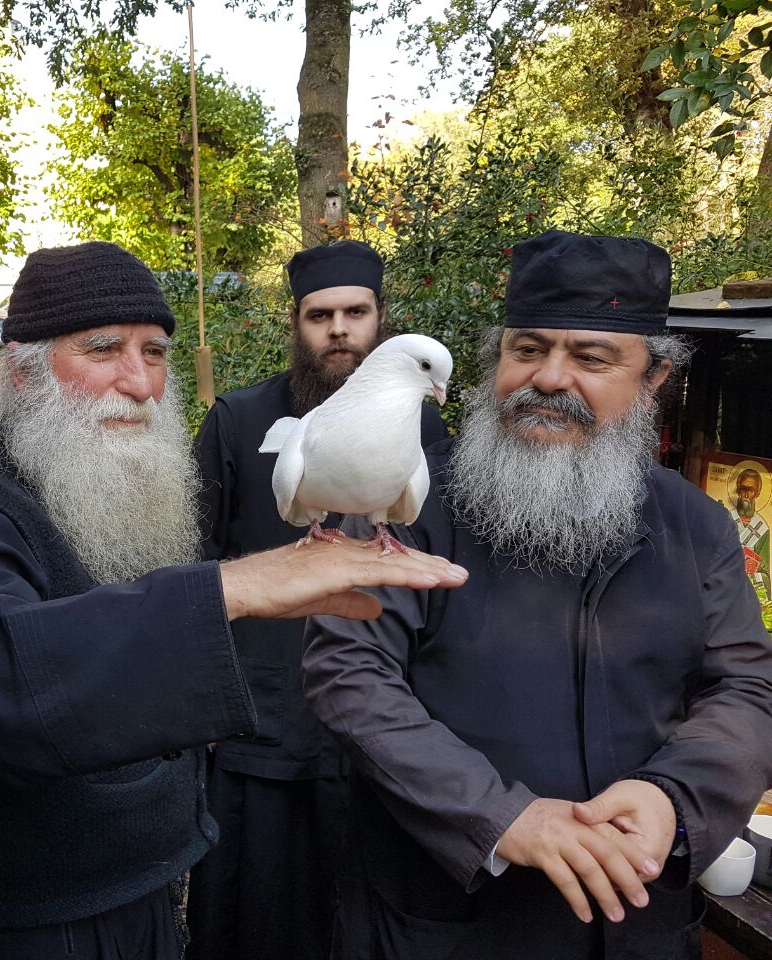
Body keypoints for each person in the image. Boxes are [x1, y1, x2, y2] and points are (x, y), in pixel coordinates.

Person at [0, 240, 468, 960]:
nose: (140, 384)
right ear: (24, 373)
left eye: (154, 353)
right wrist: (233, 588)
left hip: (140, 882)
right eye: (103, 350)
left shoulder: (101, 490)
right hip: (31, 913)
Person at [301, 229, 772, 960]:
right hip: (444, 921)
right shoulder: (405, 503)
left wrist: (672, 798)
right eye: (526, 349)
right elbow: (348, 671)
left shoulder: (696, 526)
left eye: (591, 358)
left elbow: (747, 686)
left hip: (637, 924)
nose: (549, 379)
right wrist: (499, 816)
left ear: (653, 377)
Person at [187, 239, 447, 960]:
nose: (339, 330)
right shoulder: (239, 420)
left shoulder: (426, 427)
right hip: (261, 718)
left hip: (382, 720)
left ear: (381, 320)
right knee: (254, 916)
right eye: (319, 315)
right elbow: (194, 561)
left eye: (355, 313)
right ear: (296, 325)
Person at [728, 467, 771, 592]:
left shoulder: (762, 528)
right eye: (743, 489)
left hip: (748, 588)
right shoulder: (726, 519)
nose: (746, 495)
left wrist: (751, 572)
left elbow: (764, 571)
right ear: (738, 490)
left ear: (757, 493)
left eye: (751, 490)